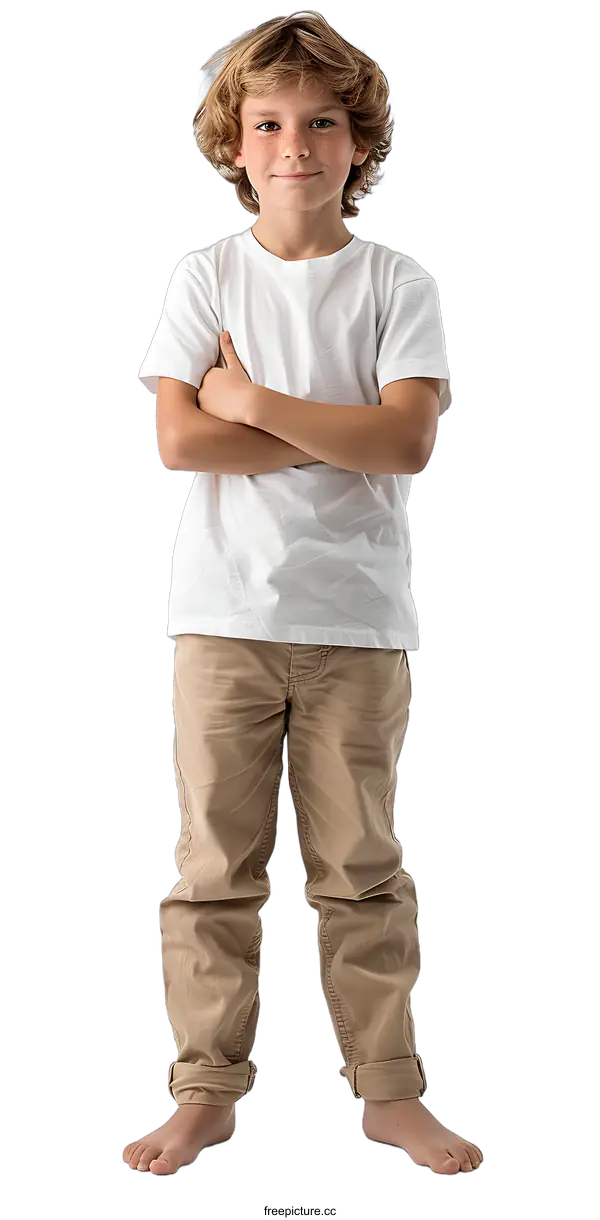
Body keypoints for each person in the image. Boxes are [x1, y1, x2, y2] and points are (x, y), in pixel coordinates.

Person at [130, 11, 482, 1179]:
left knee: (361, 872)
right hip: (223, 620)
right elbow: (180, 439)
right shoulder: (204, 276)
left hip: (358, 627)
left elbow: (404, 444)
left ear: (359, 141)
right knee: (215, 873)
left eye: (322, 122)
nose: (296, 146)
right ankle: (205, 1093)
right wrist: (327, 432)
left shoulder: (396, 284)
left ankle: (389, 1096)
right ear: (235, 143)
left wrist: (258, 403)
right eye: (271, 123)